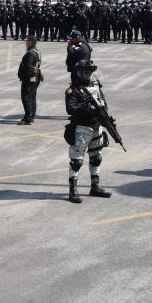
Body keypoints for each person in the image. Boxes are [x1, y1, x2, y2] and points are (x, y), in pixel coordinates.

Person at [64, 60, 114, 203]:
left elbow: (103, 102)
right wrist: (87, 109)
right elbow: (70, 108)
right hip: (82, 127)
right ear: (79, 73)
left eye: (90, 72)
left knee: (96, 157)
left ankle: (95, 187)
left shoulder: (96, 85)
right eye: (85, 72)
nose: (88, 75)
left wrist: (105, 116)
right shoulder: (73, 89)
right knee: (76, 161)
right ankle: (72, 191)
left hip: (97, 126)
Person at [17, 35, 43, 125]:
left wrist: (24, 77)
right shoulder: (36, 51)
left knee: (26, 97)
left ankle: (28, 118)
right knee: (32, 97)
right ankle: (31, 116)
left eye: (27, 41)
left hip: (30, 78)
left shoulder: (30, 54)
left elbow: (28, 68)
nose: (26, 42)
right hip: (35, 77)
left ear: (31, 42)